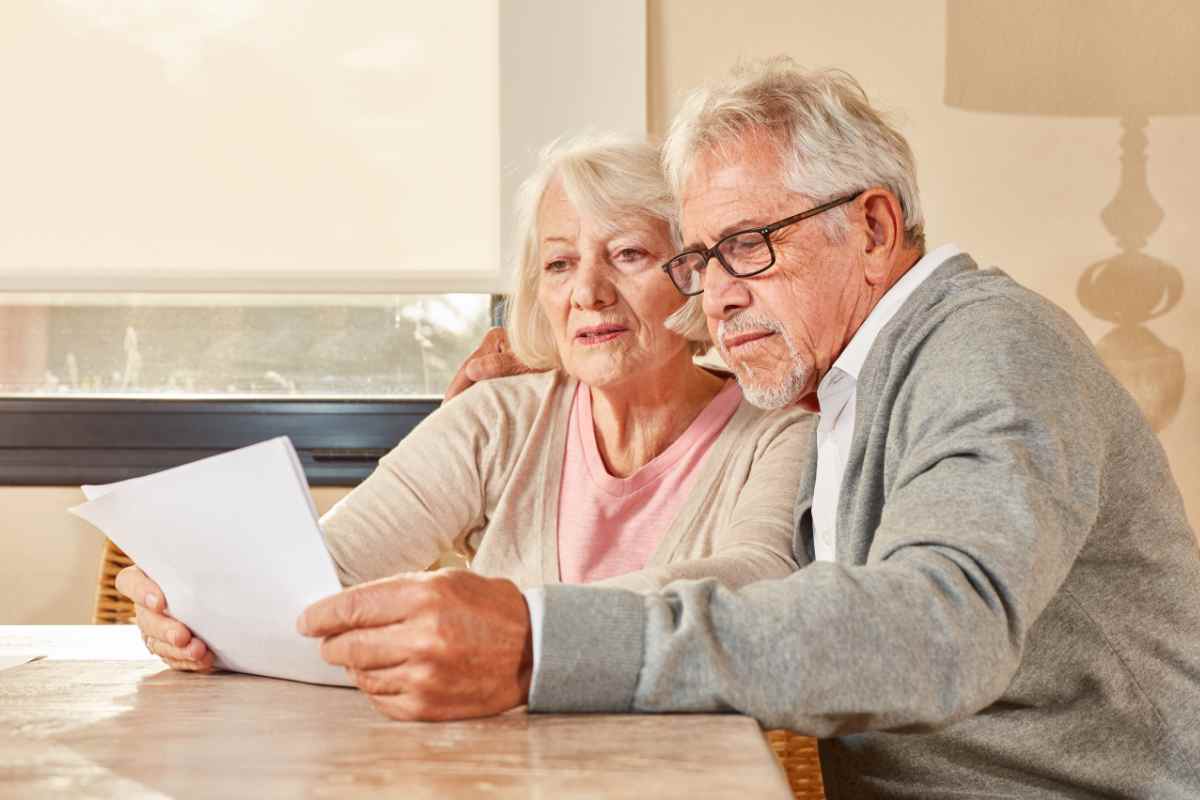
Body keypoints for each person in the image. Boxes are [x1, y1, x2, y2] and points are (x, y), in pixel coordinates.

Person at [296, 60, 1200, 798]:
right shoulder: (838, 388)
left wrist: (544, 638)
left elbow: (938, 632)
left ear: (875, 225)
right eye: (697, 259)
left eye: (747, 247)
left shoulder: (991, 348)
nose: (719, 295)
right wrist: (571, 363)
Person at [116, 135, 814, 684]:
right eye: (560, 263)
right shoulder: (497, 419)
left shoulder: (775, 429)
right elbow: (324, 575)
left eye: (628, 253)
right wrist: (187, 598)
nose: (589, 293)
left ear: (691, 272)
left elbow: (756, 582)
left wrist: (514, 621)